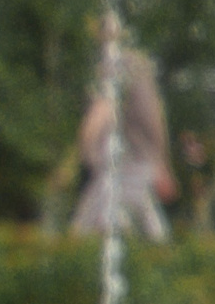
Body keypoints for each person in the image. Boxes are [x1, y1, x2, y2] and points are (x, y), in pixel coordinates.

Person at [71, 46, 176, 242]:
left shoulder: (111, 99)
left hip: (115, 171)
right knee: (147, 220)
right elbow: (158, 135)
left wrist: (89, 154)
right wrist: (162, 166)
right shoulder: (151, 106)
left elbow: (92, 129)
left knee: (85, 225)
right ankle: (162, 251)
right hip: (142, 169)